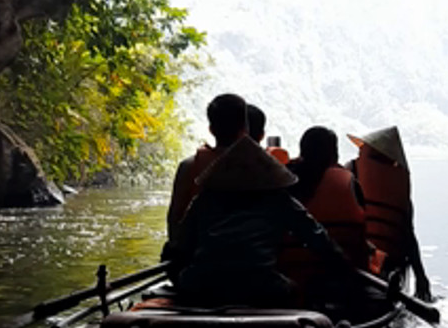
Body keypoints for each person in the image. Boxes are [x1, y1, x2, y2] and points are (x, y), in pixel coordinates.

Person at [165, 136, 354, 307]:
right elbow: (317, 238)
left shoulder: (205, 198)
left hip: (200, 284)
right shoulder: (278, 199)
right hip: (261, 286)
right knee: (294, 291)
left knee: (177, 265)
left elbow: (180, 246)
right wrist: (345, 265)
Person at [345, 126, 433, 302]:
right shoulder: (399, 188)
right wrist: (420, 276)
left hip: (356, 259)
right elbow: (408, 235)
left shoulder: (351, 172)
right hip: (390, 262)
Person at [281, 126, 368, 293]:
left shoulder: (282, 181)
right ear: (333, 154)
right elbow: (361, 233)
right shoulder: (349, 182)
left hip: (291, 274)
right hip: (340, 277)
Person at [167, 94, 247, 241]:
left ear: (211, 129)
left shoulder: (188, 166)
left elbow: (174, 219)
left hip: (198, 255)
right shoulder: (259, 168)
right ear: (244, 130)